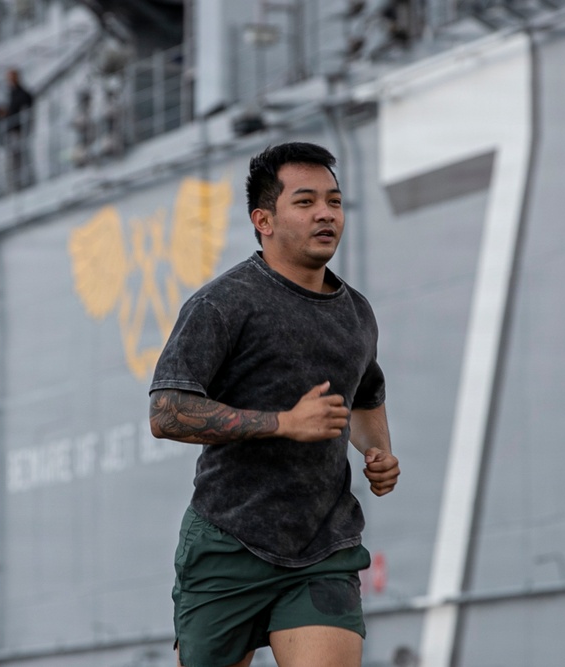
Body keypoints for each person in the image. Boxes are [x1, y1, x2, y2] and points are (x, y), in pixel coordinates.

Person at [149, 142, 400, 667]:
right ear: (263, 219)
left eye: (334, 201)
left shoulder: (357, 313)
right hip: (228, 540)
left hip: (323, 546)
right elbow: (167, 411)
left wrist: (378, 452)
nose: (326, 213)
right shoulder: (223, 303)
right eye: (305, 202)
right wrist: (283, 423)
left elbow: (365, 395)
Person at [2, 68, 35, 190]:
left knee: (20, 158)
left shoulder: (21, 93)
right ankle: (17, 185)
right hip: (12, 130)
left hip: (19, 130)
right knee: (13, 160)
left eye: (11, 77)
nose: (9, 80)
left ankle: (24, 183)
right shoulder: (11, 93)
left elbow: (27, 106)